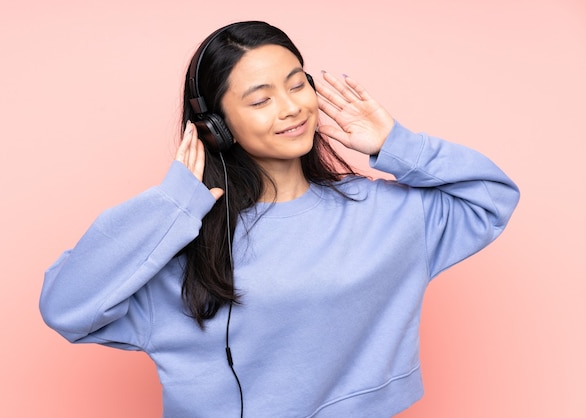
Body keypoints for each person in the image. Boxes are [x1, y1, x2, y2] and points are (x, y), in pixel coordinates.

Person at [39, 20, 520, 418]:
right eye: (260, 99)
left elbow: (491, 196)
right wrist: (172, 205)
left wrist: (394, 143)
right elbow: (66, 308)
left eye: (297, 84)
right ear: (217, 127)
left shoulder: (385, 212)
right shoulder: (185, 243)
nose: (292, 108)